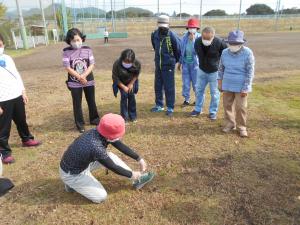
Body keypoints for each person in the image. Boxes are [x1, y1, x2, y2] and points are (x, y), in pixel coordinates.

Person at [59, 113, 155, 203]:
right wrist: (132, 174)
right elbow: (113, 167)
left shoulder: (99, 131)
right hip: (72, 174)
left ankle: (137, 180)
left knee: (109, 156)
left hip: (81, 163)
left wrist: (139, 158)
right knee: (101, 197)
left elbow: (119, 145)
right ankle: (72, 184)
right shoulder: (95, 147)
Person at [0, 34, 41, 164]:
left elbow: (16, 75)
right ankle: (4, 152)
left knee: (21, 120)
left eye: (0, 45)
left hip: (16, 95)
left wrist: (23, 91)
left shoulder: (8, 58)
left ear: (3, 44)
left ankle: (26, 139)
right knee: (3, 127)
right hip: (2, 99)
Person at [218, 30, 255, 137]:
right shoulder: (225, 52)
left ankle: (241, 127)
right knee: (227, 105)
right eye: (231, 43)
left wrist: (246, 87)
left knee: (241, 107)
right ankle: (230, 123)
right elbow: (221, 68)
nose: (233, 45)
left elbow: (250, 71)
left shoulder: (248, 53)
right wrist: (220, 82)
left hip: (241, 85)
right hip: (227, 83)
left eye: (236, 44)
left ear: (241, 43)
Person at [63, 28, 100, 133]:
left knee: (91, 100)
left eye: (78, 40)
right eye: (73, 41)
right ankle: (80, 124)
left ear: (82, 39)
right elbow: (67, 67)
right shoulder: (66, 52)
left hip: (88, 80)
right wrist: (79, 77)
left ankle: (94, 119)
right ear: (69, 41)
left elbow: (92, 64)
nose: (76, 42)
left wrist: (84, 76)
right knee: (77, 103)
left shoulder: (88, 50)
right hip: (74, 82)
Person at [191, 26, 227, 120]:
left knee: (214, 93)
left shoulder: (220, 43)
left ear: (213, 36)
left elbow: (226, 55)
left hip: (215, 72)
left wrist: (222, 69)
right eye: (204, 38)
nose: (206, 40)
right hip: (201, 70)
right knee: (199, 90)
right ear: (202, 35)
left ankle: (212, 112)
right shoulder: (197, 42)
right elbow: (196, 52)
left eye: (208, 38)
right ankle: (198, 109)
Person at [151, 15, 181, 117]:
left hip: (168, 65)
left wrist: (172, 60)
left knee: (169, 87)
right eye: (160, 26)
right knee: (158, 85)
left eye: (164, 26)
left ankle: (170, 107)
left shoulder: (172, 35)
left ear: (169, 25)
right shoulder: (154, 34)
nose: (162, 28)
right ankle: (159, 105)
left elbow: (178, 50)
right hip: (158, 64)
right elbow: (155, 47)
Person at [112, 49, 141, 122]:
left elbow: (136, 74)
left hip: (131, 81)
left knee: (132, 97)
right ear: (122, 58)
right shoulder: (117, 64)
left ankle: (133, 116)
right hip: (121, 82)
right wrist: (123, 87)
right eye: (125, 61)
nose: (127, 63)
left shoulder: (137, 63)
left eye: (129, 62)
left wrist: (131, 84)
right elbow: (115, 77)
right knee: (124, 96)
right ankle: (124, 117)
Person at [178, 18, 201, 107]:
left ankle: (197, 99)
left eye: (193, 27)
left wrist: (193, 40)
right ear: (187, 28)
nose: (192, 29)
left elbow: (199, 51)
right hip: (186, 64)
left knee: (196, 83)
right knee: (186, 83)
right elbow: (182, 51)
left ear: (197, 28)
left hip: (196, 64)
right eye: (190, 27)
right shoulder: (184, 38)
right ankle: (186, 99)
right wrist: (180, 63)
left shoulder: (199, 37)